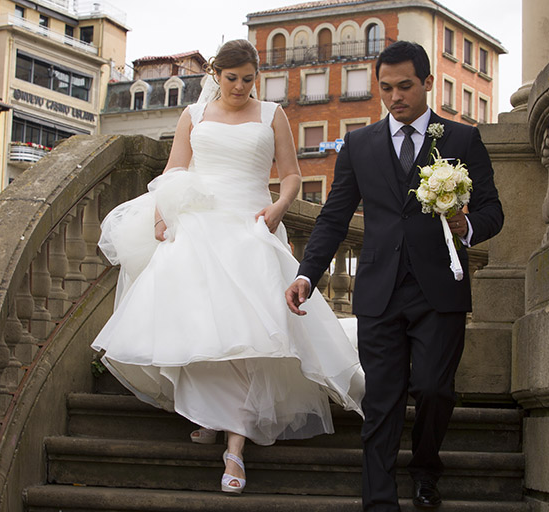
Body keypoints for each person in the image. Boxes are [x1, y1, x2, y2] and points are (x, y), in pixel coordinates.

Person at [92, 39, 364, 495]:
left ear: (257, 77)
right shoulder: (193, 115)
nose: (240, 86)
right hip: (198, 225)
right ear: (216, 75)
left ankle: (234, 448)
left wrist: (279, 207)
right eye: (232, 78)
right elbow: (175, 171)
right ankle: (211, 412)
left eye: (248, 79)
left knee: (247, 336)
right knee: (200, 326)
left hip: (251, 227)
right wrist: (161, 217)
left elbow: (292, 174)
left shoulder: (272, 114)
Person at [285, 41, 503, 510]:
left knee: (433, 389)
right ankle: (379, 501)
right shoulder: (359, 145)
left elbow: (493, 211)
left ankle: (425, 468)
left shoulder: (461, 140)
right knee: (382, 399)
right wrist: (307, 274)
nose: (395, 96)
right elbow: (334, 217)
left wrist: (467, 226)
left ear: (427, 82)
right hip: (379, 290)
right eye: (386, 88)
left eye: (405, 86)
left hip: (440, 289)